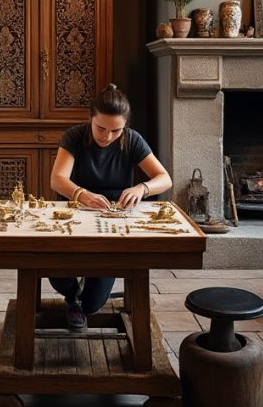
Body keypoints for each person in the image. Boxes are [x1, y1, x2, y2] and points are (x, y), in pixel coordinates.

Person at [48, 83, 172, 332]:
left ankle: (83, 300)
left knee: (94, 304)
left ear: (125, 126)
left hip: (114, 217)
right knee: (57, 272)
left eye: (116, 131)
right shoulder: (74, 136)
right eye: (100, 128)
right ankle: (72, 296)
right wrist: (82, 194)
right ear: (90, 119)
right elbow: (57, 180)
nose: (107, 136)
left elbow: (164, 179)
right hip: (74, 211)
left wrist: (141, 189)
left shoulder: (132, 139)